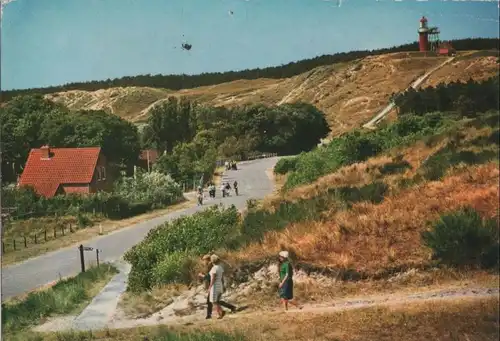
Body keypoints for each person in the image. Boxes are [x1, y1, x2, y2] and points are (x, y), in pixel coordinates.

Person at [198, 255, 237, 319]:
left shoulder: (211, 266)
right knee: (215, 301)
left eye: (204, 260)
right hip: (217, 284)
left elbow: (210, 277)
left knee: (212, 301)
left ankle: (212, 314)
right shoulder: (211, 266)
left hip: (214, 285)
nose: (203, 262)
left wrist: (202, 276)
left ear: (208, 260)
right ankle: (229, 308)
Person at [207, 254, 232, 319]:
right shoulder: (220, 267)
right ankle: (221, 312)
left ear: (212, 261)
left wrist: (210, 287)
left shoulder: (214, 268)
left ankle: (220, 313)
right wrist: (223, 285)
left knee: (213, 301)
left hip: (215, 286)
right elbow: (221, 278)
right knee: (217, 301)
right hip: (220, 284)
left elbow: (213, 279)